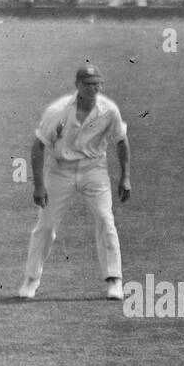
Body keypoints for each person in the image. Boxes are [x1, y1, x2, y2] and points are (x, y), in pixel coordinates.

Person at [18, 65, 131, 302]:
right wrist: (38, 185)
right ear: (78, 85)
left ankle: (115, 280)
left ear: (101, 85)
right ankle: (31, 279)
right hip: (60, 172)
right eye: (88, 84)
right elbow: (39, 145)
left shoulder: (109, 110)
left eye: (96, 84)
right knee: (46, 225)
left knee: (105, 220)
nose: (93, 88)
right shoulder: (57, 111)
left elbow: (121, 140)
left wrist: (125, 176)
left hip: (94, 171)